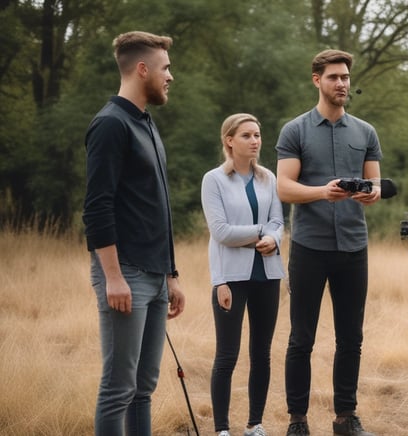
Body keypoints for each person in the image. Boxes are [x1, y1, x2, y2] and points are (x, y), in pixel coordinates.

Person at [82, 30, 186, 435]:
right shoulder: (110, 125)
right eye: (165, 68)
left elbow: (157, 207)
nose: (170, 76)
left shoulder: (146, 123)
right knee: (118, 387)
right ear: (142, 69)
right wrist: (112, 277)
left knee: (144, 387)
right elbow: (97, 206)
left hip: (156, 276)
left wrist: (171, 275)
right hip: (125, 274)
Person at [275, 49, 381, 436]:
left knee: (351, 338)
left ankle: (345, 418)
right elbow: (284, 186)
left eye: (346, 78)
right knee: (301, 337)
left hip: (354, 247)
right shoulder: (295, 130)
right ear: (316, 80)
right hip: (309, 247)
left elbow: (376, 182)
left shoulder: (365, 131)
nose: (342, 84)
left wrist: (372, 192)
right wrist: (322, 192)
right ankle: (297, 421)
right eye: (334, 77)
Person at [201, 113, 285, 436]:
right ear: (229, 141)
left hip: (268, 275)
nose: (255, 141)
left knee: (261, 354)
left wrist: (273, 238)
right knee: (227, 355)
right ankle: (222, 429)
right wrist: (261, 232)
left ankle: (255, 424)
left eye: (258, 135)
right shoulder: (214, 180)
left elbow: (279, 223)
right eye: (247, 135)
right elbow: (220, 232)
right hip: (230, 278)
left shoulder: (270, 179)